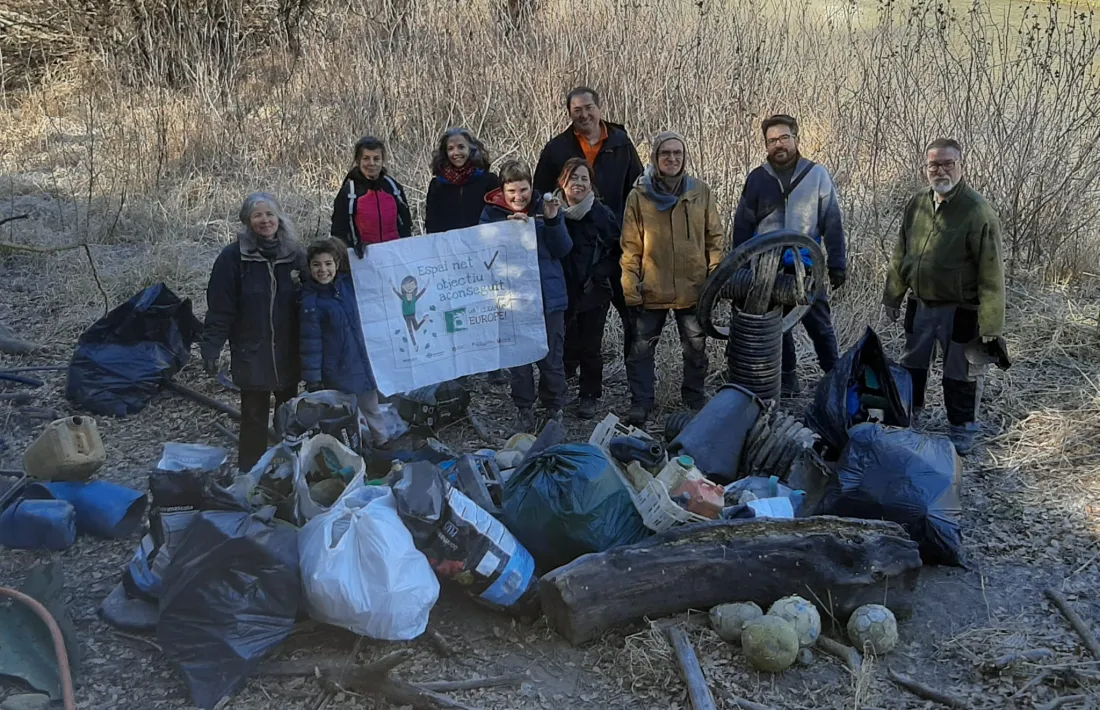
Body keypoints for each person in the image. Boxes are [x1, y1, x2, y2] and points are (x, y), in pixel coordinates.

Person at [882, 138, 1005, 455]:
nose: (941, 170)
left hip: (961, 309)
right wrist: (893, 295)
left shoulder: (977, 211)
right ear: (926, 168)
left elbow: (991, 273)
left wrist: (991, 325)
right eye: (934, 164)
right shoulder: (917, 203)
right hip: (920, 304)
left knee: (960, 372)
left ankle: (962, 429)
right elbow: (901, 252)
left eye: (948, 163)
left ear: (961, 165)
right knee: (912, 366)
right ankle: (909, 417)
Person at [731, 114, 846, 396]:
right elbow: (742, 226)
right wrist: (739, 268)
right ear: (766, 145)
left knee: (820, 326)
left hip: (806, 267)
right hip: (766, 268)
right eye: (772, 140)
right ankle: (787, 382)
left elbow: (832, 222)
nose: (778, 145)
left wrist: (837, 264)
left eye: (784, 138)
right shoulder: (757, 178)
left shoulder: (816, 175)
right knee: (776, 328)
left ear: (796, 139)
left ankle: (836, 380)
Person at [620, 132, 724, 426]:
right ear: (655, 157)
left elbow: (715, 238)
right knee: (641, 349)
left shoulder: (700, 191)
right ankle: (641, 402)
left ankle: (693, 397)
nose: (672, 158)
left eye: (678, 153)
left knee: (696, 347)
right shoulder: (639, 195)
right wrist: (630, 286)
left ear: (685, 157)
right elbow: (630, 246)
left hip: (693, 287)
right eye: (665, 153)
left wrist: (714, 277)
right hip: (651, 286)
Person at [533, 87, 644, 361]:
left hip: (616, 242)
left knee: (631, 312)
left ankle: (635, 370)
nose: (584, 115)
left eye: (588, 108)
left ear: (599, 108)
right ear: (570, 114)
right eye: (577, 110)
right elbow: (540, 193)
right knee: (574, 316)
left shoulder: (621, 143)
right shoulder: (557, 149)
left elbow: (638, 189)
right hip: (576, 247)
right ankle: (570, 372)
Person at [202, 192, 306, 471]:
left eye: (270, 214)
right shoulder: (232, 258)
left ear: (279, 218)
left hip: (288, 350)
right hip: (251, 350)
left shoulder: (295, 255)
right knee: (253, 416)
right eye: (257, 215)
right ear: (248, 221)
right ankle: (250, 474)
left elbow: (315, 299)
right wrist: (211, 345)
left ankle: (290, 470)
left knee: (289, 415)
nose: (265, 220)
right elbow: (220, 307)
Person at [480, 160, 573, 433]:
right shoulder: (491, 214)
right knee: (519, 360)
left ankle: (554, 407)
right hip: (512, 301)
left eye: (523, 190)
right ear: (502, 191)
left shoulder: (547, 207)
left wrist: (552, 221)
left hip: (548, 298)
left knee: (551, 357)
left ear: (532, 187)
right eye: (512, 191)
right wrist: (508, 234)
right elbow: (483, 254)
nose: (518, 197)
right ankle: (524, 409)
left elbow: (563, 248)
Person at [299, 238, 389, 448]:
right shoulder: (311, 302)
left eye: (328, 264)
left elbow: (373, 274)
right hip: (336, 369)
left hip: (361, 362)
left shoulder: (349, 285)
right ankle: (353, 446)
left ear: (337, 264)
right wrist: (313, 378)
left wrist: (365, 252)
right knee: (345, 413)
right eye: (316, 265)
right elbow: (311, 343)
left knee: (371, 406)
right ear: (309, 267)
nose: (323, 270)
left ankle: (382, 442)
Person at [555, 158, 621, 420]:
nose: (579, 183)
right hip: (560, 289)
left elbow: (617, 251)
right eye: (573, 177)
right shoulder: (551, 212)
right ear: (563, 181)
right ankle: (558, 390)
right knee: (563, 342)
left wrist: (598, 273)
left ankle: (589, 395)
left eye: (584, 178)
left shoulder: (601, 214)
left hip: (593, 291)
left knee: (590, 346)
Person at [331, 135, 413, 256]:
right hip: (363, 258)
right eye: (366, 158)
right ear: (358, 160)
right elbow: (338, 232)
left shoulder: (393, 187)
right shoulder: (349, 192)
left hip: (395, 255)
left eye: (376, 158)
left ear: (382, 161)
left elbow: (406, 223)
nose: (371, 163)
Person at [424, 128, 499, 234]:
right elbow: (431, 224)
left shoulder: (489, 180)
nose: (456, 153)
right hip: (449, 242)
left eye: (461, 147)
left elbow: (499, 215)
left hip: (483, 240)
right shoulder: (437, 185)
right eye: (450, 148)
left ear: (471, 149)